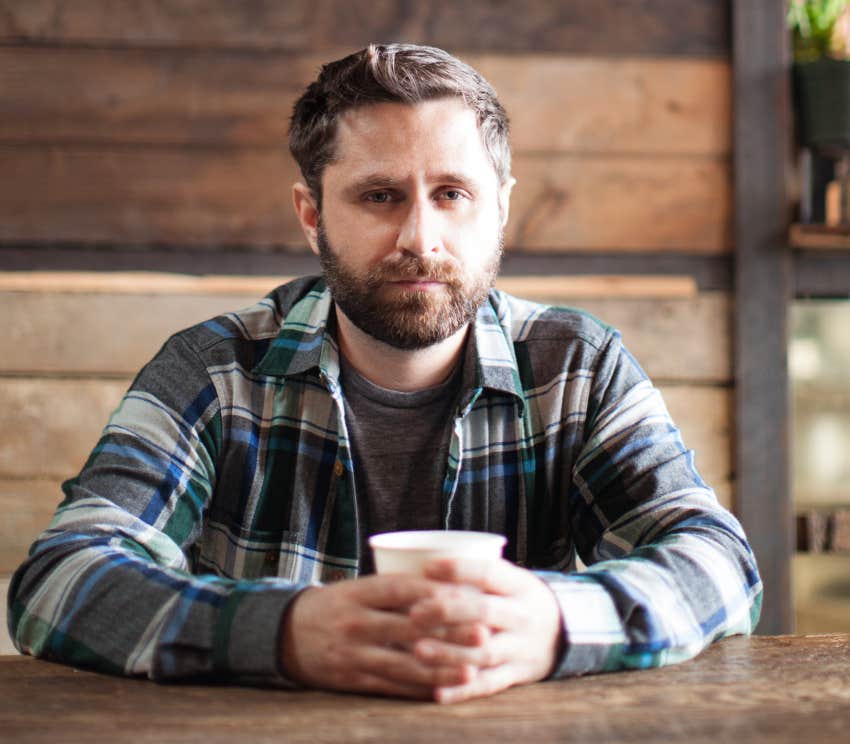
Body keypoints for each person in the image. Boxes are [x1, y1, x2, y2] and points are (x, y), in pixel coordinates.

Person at [7, 44, 762, 703]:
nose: (419, 238)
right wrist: (286, 633)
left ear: (500, 209)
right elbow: (61, 581)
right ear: (312, 215)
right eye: (379, 196)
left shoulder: (578, 369)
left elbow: (718, 562)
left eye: (452, 195)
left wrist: (555, 624)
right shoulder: (213, 372)